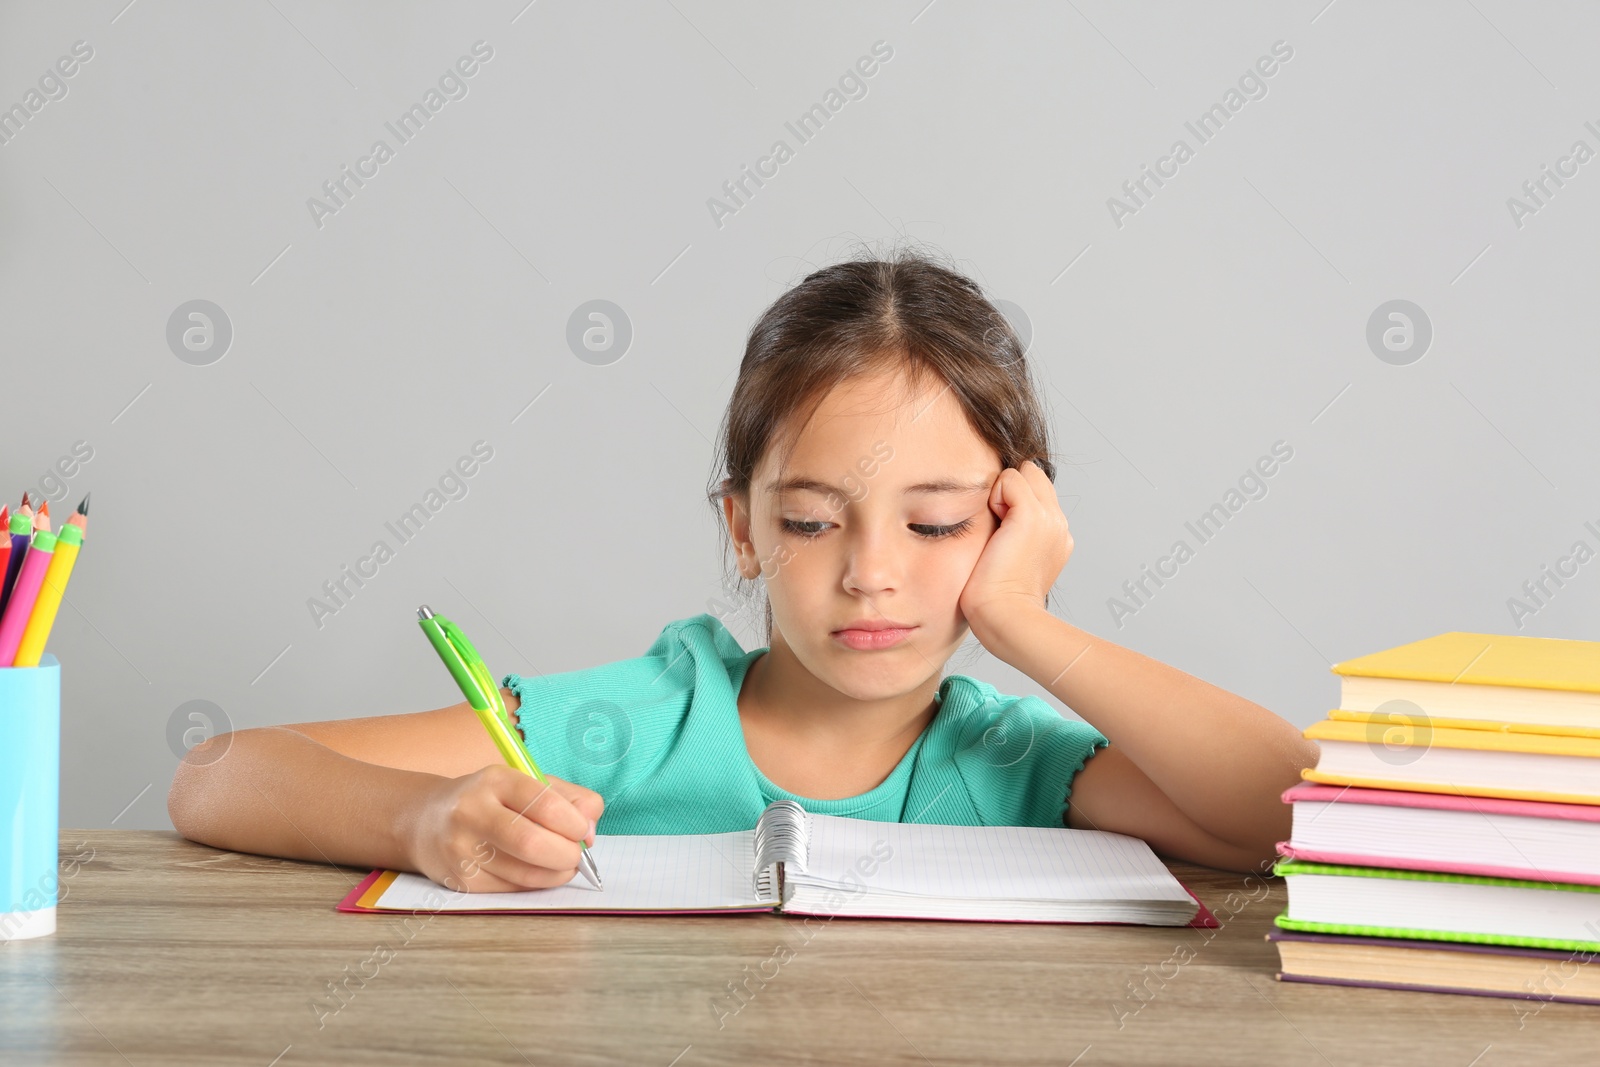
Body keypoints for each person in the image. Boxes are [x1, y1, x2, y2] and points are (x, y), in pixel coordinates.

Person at [169, 248, 1319, 893]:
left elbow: (1299, 815)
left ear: (1014, 518)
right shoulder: (638, 720)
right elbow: (218, 772)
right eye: (815, 521)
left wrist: (1017, 618)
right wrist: (423, 820)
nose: (872, 574)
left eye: (934, 526)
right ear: (742, 529)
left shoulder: (1007, 759)